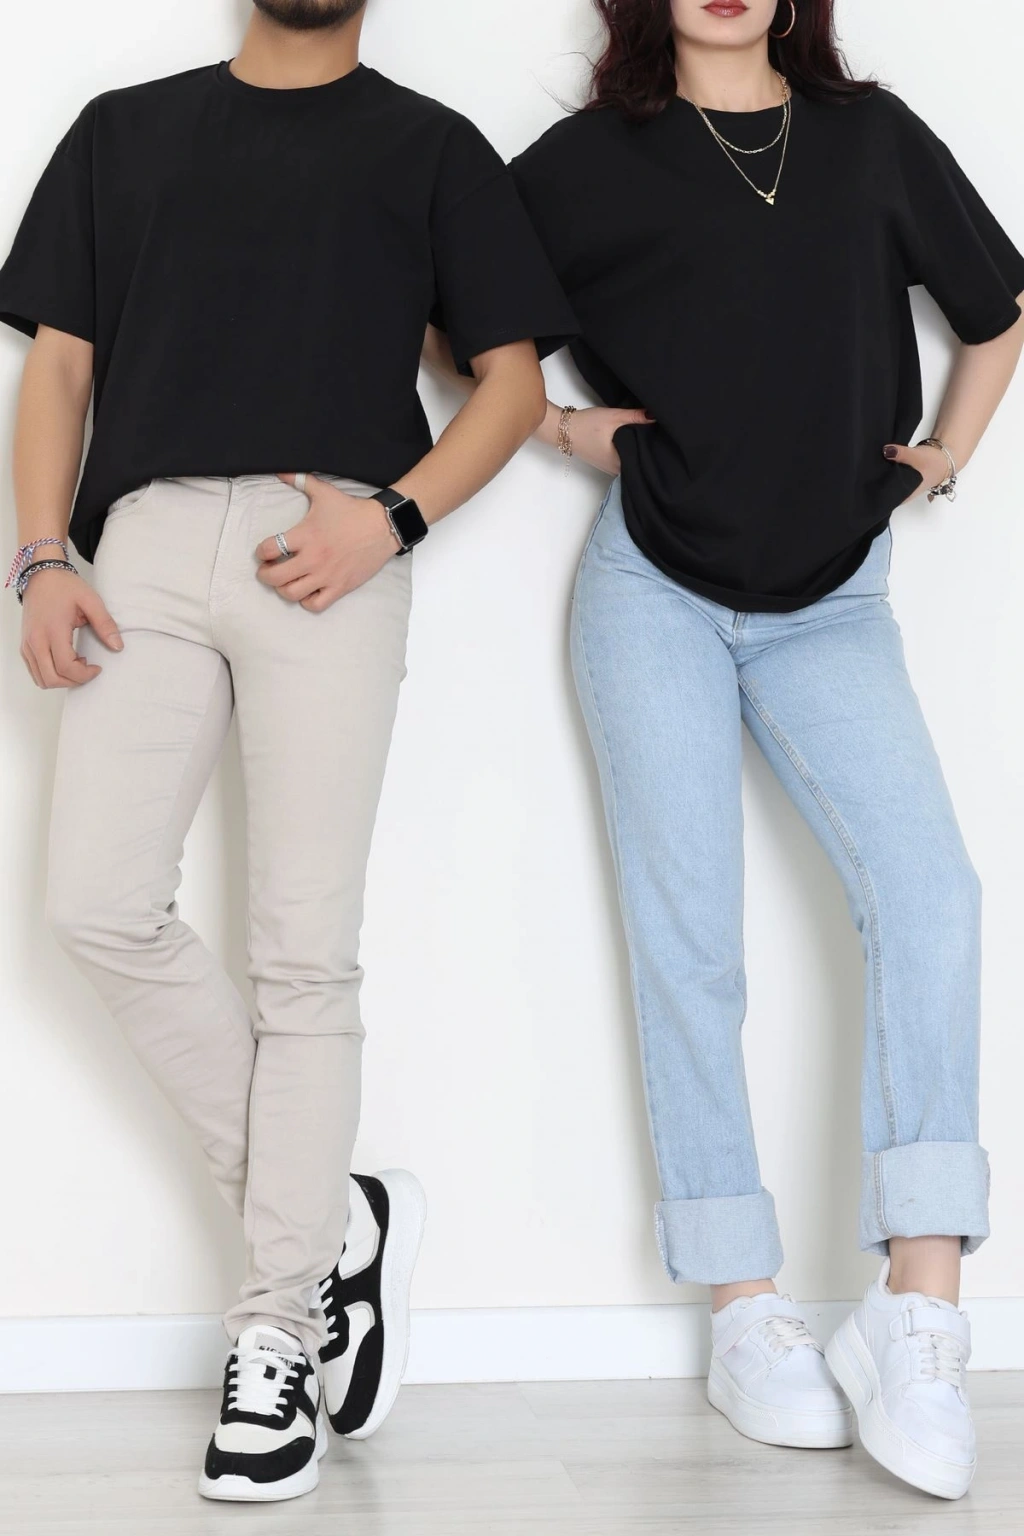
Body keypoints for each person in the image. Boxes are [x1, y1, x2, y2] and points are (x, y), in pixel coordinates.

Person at [424, 0, 1024, 1503]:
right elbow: (458, 310)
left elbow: (998, 308)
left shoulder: (869, 138)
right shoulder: (585, 163)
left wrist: (949, 456)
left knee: (932, 895)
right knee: (689, 933)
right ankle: (744, 1310)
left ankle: (919, 1310)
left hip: (836, 601)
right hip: (654, 591)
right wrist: (565, 430)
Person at [0, 0, 575, 1505]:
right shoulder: (126, 131)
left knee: (304, 952)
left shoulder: (431, 148)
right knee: (95, 902)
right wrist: (41, 554)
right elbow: (60, 364)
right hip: (142, 542)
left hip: (335, 542)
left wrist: (392, 519)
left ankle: (276, 1330)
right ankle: (332, 1225)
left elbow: (513, 382)